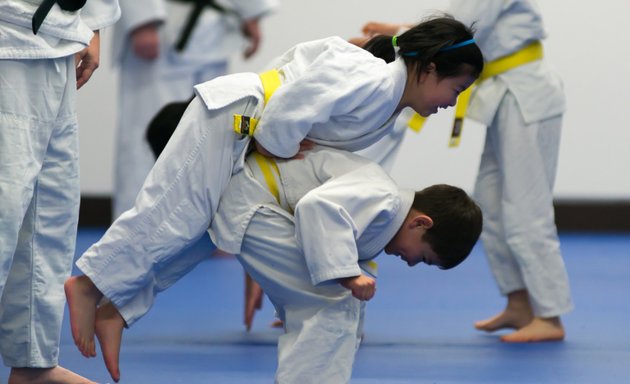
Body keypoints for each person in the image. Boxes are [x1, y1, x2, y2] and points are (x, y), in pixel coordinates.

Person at [65, 13, 482, 361]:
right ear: (428, 69)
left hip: (246, 130)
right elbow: (288, 102)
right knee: (173, 214)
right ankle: (87, 284)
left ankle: (117, 311)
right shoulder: (372, 77)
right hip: (235, 117)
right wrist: (275, 141)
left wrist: (283, 142)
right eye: (455, 90)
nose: (450, 102)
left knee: (198, 232)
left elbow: (300, 87)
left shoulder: (385, 100)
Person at [67, 145, 483, 382]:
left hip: (249, 196)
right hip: (253, 198)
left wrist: (350, 274)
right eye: (423, 258)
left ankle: (117, 308)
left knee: (181, 247)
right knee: (331, 304)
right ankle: (101, 295)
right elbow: (319, 209)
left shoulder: (386, 211)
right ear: (420, 221)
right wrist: (346, 273)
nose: (411, 264)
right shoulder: (385, 197)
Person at [357, 0, 573, 343]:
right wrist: (395, 37)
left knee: (526, 209)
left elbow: (457, 31)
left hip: (527, 92)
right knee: (490, 203)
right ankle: (518, 303)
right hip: (502, 93)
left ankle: (549, 314)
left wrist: (394, 38)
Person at [0, 1, 120, 383]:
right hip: (8, 35)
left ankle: (32, 364)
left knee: (49, 211)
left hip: (59, 32)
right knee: (3, 212)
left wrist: (90, 23)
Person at [111, 0, 278, 219]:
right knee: (148, 133)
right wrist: (143, 18)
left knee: (216, 136)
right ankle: (135, 226)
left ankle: (209, 229)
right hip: (161, 25)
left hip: (215, 28)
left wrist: (251, 12)